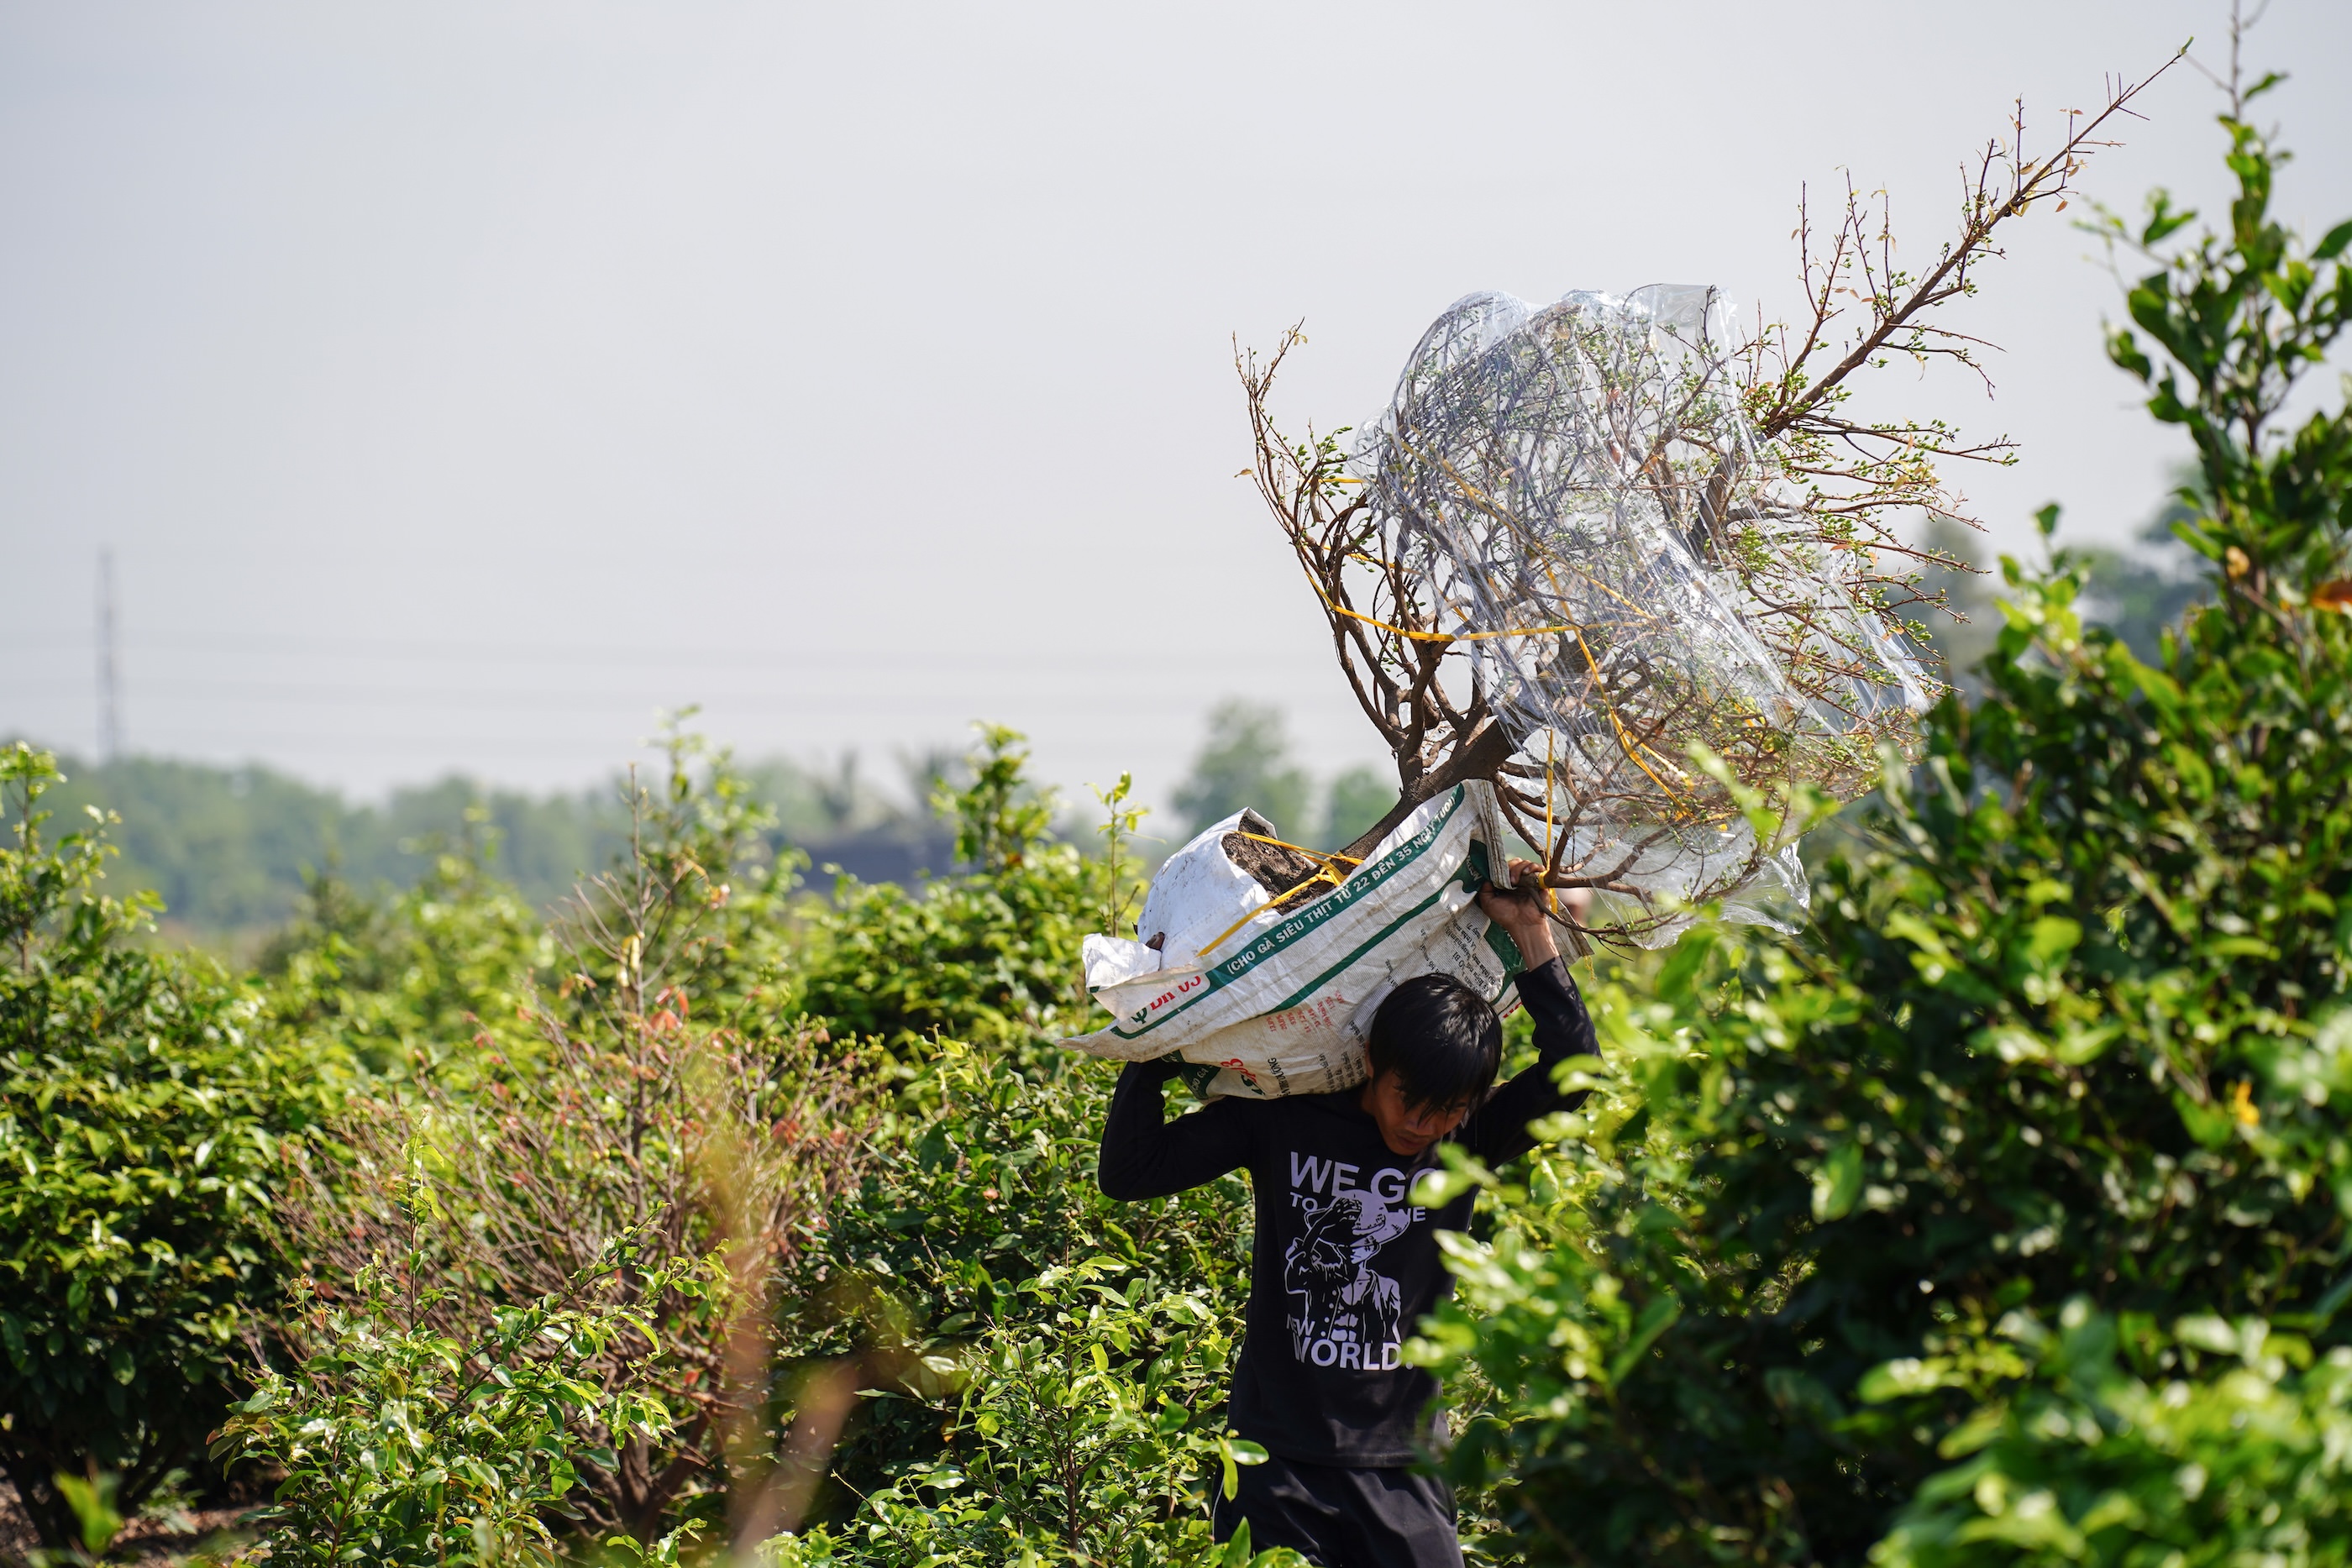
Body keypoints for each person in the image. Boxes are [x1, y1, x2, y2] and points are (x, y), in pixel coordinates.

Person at [1096, 861, 1599, 1567]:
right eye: (1408, 1099)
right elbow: (1131, 1171)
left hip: (1403, 1466)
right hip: (1276, 1462)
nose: (1422, 1125)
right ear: (1371, 1060)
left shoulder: (1470, 1135)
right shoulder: (1286, 1115)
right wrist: (1155, 1036)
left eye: (1446, 1109)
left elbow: (1575, 1066)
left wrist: (1529, 929)